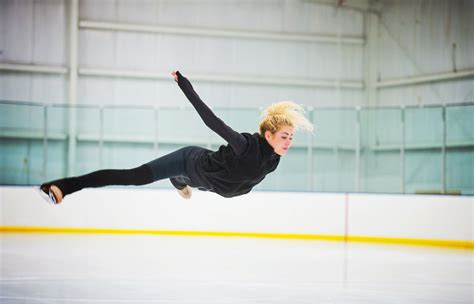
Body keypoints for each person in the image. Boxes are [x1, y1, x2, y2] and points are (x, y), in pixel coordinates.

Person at [38, 70, 313, 204]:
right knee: (133, 177)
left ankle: (180, 182)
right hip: (189, 162)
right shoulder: (245, 146)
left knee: (194, 183)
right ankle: (63, 187)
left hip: (209, 182)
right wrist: (184, 84)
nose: (289, 141)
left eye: (291, 137)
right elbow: (211, 120)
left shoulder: (273, 160)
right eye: (285, 136)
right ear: (268, 134)